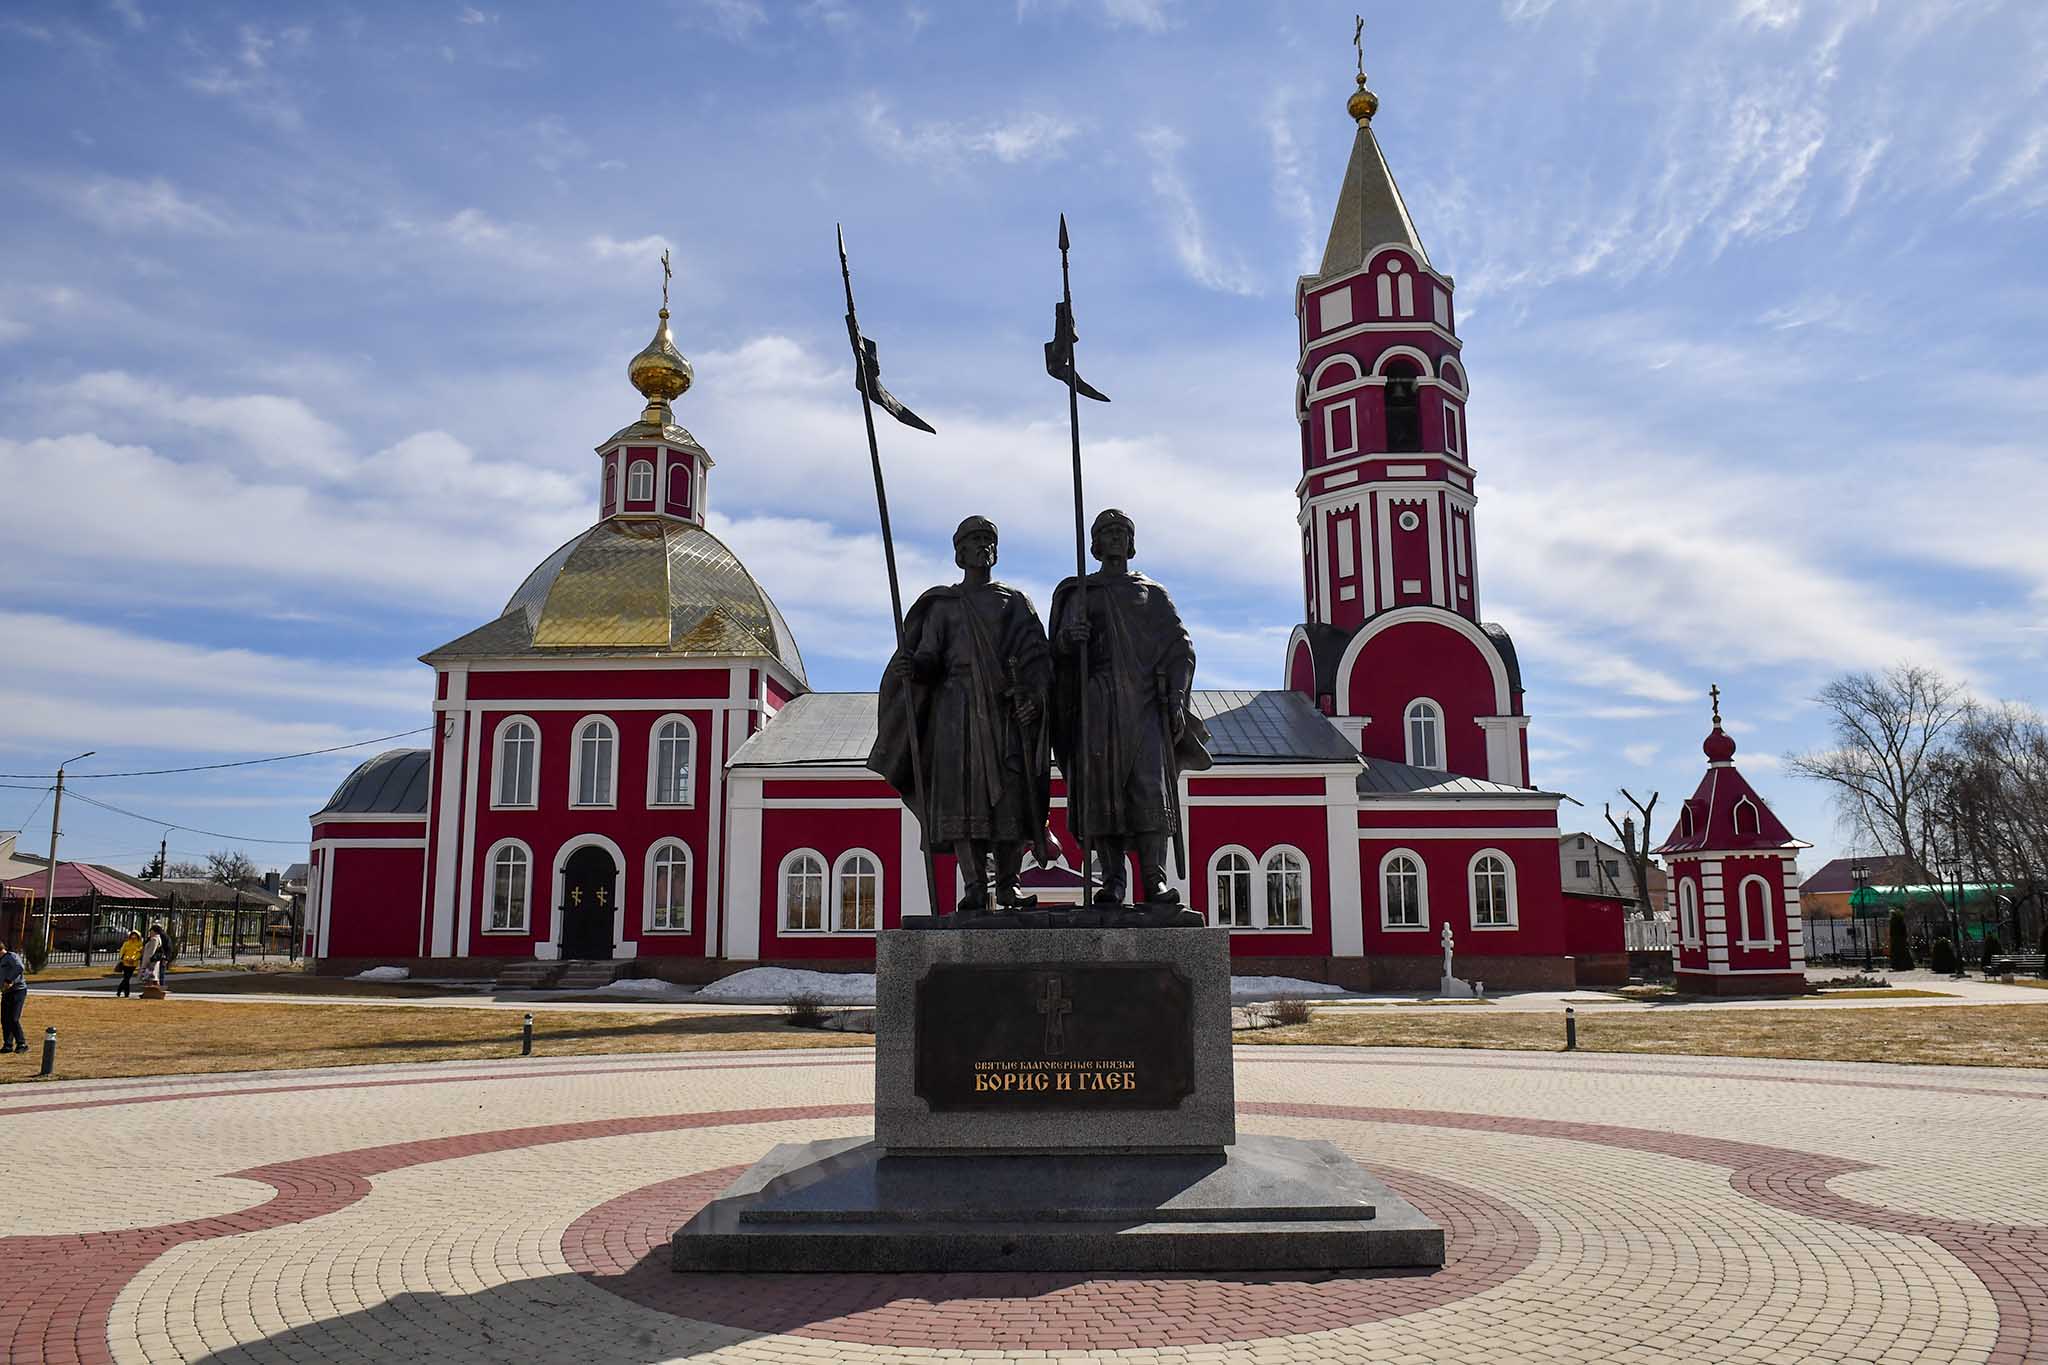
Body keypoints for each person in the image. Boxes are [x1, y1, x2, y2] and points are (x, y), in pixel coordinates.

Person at [869, 515, 1054, 913]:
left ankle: (1009, 886)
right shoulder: (943, 606)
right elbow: (930, 657)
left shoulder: (1015, 603)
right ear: (960, 553)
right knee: (963, 801)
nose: (983, 546)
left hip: (1003, 711)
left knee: (1009, 800)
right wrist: (913, 667)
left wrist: (1033, 697)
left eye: (988, 540)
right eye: (974, 540)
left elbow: (1039, 657)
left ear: (996, 551)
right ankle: (974, 887)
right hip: (957, 712)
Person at [1049, 508, 1212, 905]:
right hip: (1097, 704)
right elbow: (1054, 655)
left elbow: (1181, 647)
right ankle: (1113, 881)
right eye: (1107, 532)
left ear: (1131, 542)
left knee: (1148, 789)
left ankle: (1154, 880)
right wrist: (1071, 639)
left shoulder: (1150, 593)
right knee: (1103, 793)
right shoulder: (1080, 593)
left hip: (1144, 705)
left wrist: (1177, 697)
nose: (1116, 537)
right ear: (1095, 544)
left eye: (1122, 532)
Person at [0, 939, 26, 1054]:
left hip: (18, 991)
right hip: (6, 992)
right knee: (5, 1019)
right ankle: (8, 1044)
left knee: (14, 1018)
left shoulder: (11, 956)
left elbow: (19, 967)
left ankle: (22, 1044)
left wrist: (9, 980)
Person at [116, 928, 143, 998]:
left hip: (133, 963)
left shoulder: (139, 944)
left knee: (127, 978)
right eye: (132, 935)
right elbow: (122, 951)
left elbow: (139, 953)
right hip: (125, 962)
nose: (133, 937)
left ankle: (120, 989)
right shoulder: (126, 943)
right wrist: (125, 958)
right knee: (126, 978)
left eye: (135, 935)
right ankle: (126, 993)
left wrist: (134, 958)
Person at [138, 923, 166, 991]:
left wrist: (146, 962)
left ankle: (154, 992)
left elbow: (151, 952)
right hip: (153, 962)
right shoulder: (156, 938)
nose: (150, 932)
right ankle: (154, 991)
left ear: (154, 931)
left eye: (151, 931)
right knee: (152, 978)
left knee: (150, 978)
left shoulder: (154, 939)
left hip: (151, 962)